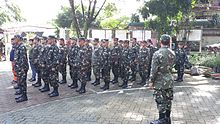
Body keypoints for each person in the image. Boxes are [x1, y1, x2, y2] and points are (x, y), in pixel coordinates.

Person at [148, 34, 175, 124]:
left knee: (160, 101)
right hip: (169, 80)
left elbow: (154, 69)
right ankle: (167, 119)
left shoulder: (157, 53)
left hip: (160, 82)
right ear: (169, 42)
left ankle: (162, 120)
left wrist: (151, 81)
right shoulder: (172, 53)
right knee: (168, 100)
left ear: (160, 42)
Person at [13, 35, 29, 103]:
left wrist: (22, 68)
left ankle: (24, 96)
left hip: (22, 68)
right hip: (18, 68)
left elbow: (23, 59)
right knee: (19, 81)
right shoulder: (18, 47)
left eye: (15, 39)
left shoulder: (22, 47)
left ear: (18, 39)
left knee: (22, 82)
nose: (14, 40)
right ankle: (22, 94)